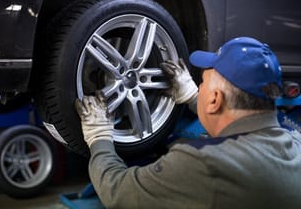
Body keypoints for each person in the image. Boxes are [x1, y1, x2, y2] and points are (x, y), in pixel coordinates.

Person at [75, 37, 301, 209]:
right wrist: (194, 98)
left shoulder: (203, 163)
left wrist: (99, 136)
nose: (198, 87)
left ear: (214, 100)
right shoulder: (296, 142)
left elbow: (116, 190)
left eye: (201, 83)